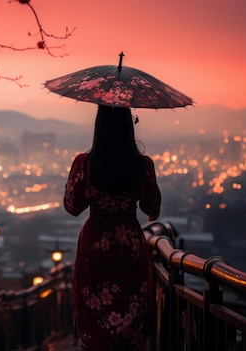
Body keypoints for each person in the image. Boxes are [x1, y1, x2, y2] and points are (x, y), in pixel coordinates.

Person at [64, 105, 161, 350]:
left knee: (95, 310)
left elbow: (72, 206)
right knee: (131, 311)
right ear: (129, 126)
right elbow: (152, 207)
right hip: (130, 246)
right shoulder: (142, 165)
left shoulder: (85, 163)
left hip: (94, 246)